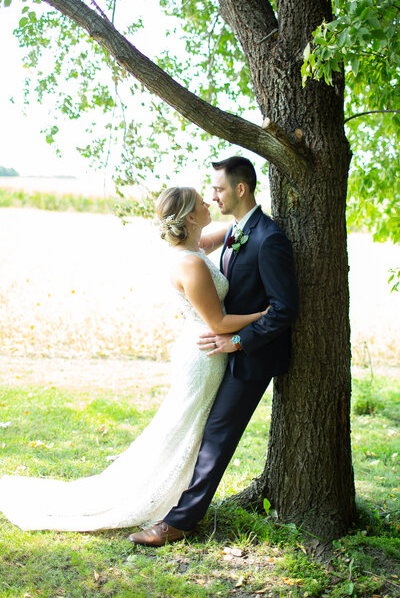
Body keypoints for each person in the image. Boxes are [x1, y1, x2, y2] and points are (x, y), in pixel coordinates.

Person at [0, 184, 267, 532]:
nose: (210, 203)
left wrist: (246, 219)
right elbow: (217, 322)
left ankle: (178, 496)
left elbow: (224, 234)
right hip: (204, 353)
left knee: (186, 427)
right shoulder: (190, 264)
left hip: (202, 349)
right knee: (181, 428)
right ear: (189, 216)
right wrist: (262, 316)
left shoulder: (192, 247)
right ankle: (157, 496)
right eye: (203, 202)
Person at [129, 156, 299, 547]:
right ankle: (173, 503)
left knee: (217, 437)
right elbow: (194, 246)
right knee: (203, 432)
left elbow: (284, 310)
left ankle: (180, 522)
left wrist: (238, 340)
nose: (213, 195)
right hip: (218, 349)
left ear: (240, 189)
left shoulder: (268, 238)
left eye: (218, 189)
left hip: (252, 355)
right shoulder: (237, 229)